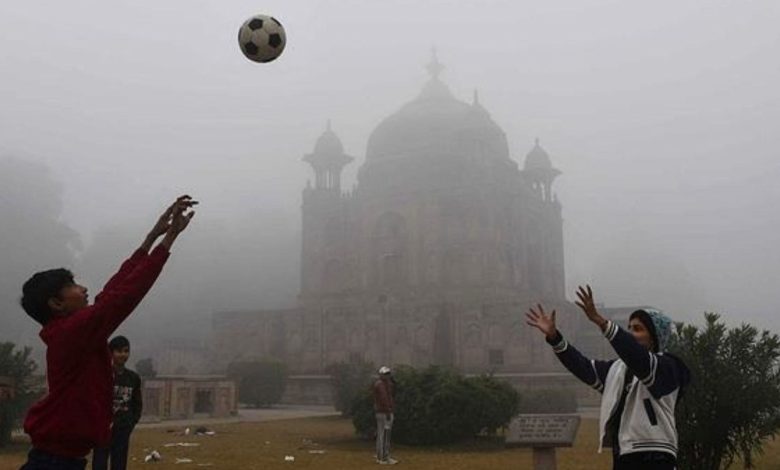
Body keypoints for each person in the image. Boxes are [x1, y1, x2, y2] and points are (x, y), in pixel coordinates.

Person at [18, 196, 196, 470]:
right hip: (54, 462)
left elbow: (113, 291)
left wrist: (151, 237)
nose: (84, 289)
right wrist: (169, 239)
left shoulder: (74, 333)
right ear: (56, 303)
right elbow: (124, 296)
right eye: (73, 285)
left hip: (62, 458)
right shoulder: (72, 333)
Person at [526, 285, 690, 470]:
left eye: (638, 329)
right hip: (624, 453)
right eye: (629, 329)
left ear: (654, 336)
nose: (632, 333)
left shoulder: (669, 367)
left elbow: (638, 358)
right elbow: (583, 367)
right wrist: (555, 338)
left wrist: (601, 322)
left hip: (656, 454)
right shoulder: (618, 370)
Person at [91, 336, 142, 470]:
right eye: (119, 351)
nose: (123, 355)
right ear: (111, 353)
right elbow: (93, 400)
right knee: (99, 463)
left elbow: (137, 404)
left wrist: (131, 422)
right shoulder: (101, 375)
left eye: (126, 351)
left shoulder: (133, 378)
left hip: (123, 429)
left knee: (119, 464)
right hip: (103, 429)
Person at [373, 366, 398, 465]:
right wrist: (388, 411)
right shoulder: (381, 385)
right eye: (386, 374)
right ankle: (383, 457)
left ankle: (384, 456)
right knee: (383, 436)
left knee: (383, 435)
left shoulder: (385, 384)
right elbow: (384, 399)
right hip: (384, 412)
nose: (388, 376)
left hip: (383, 412)